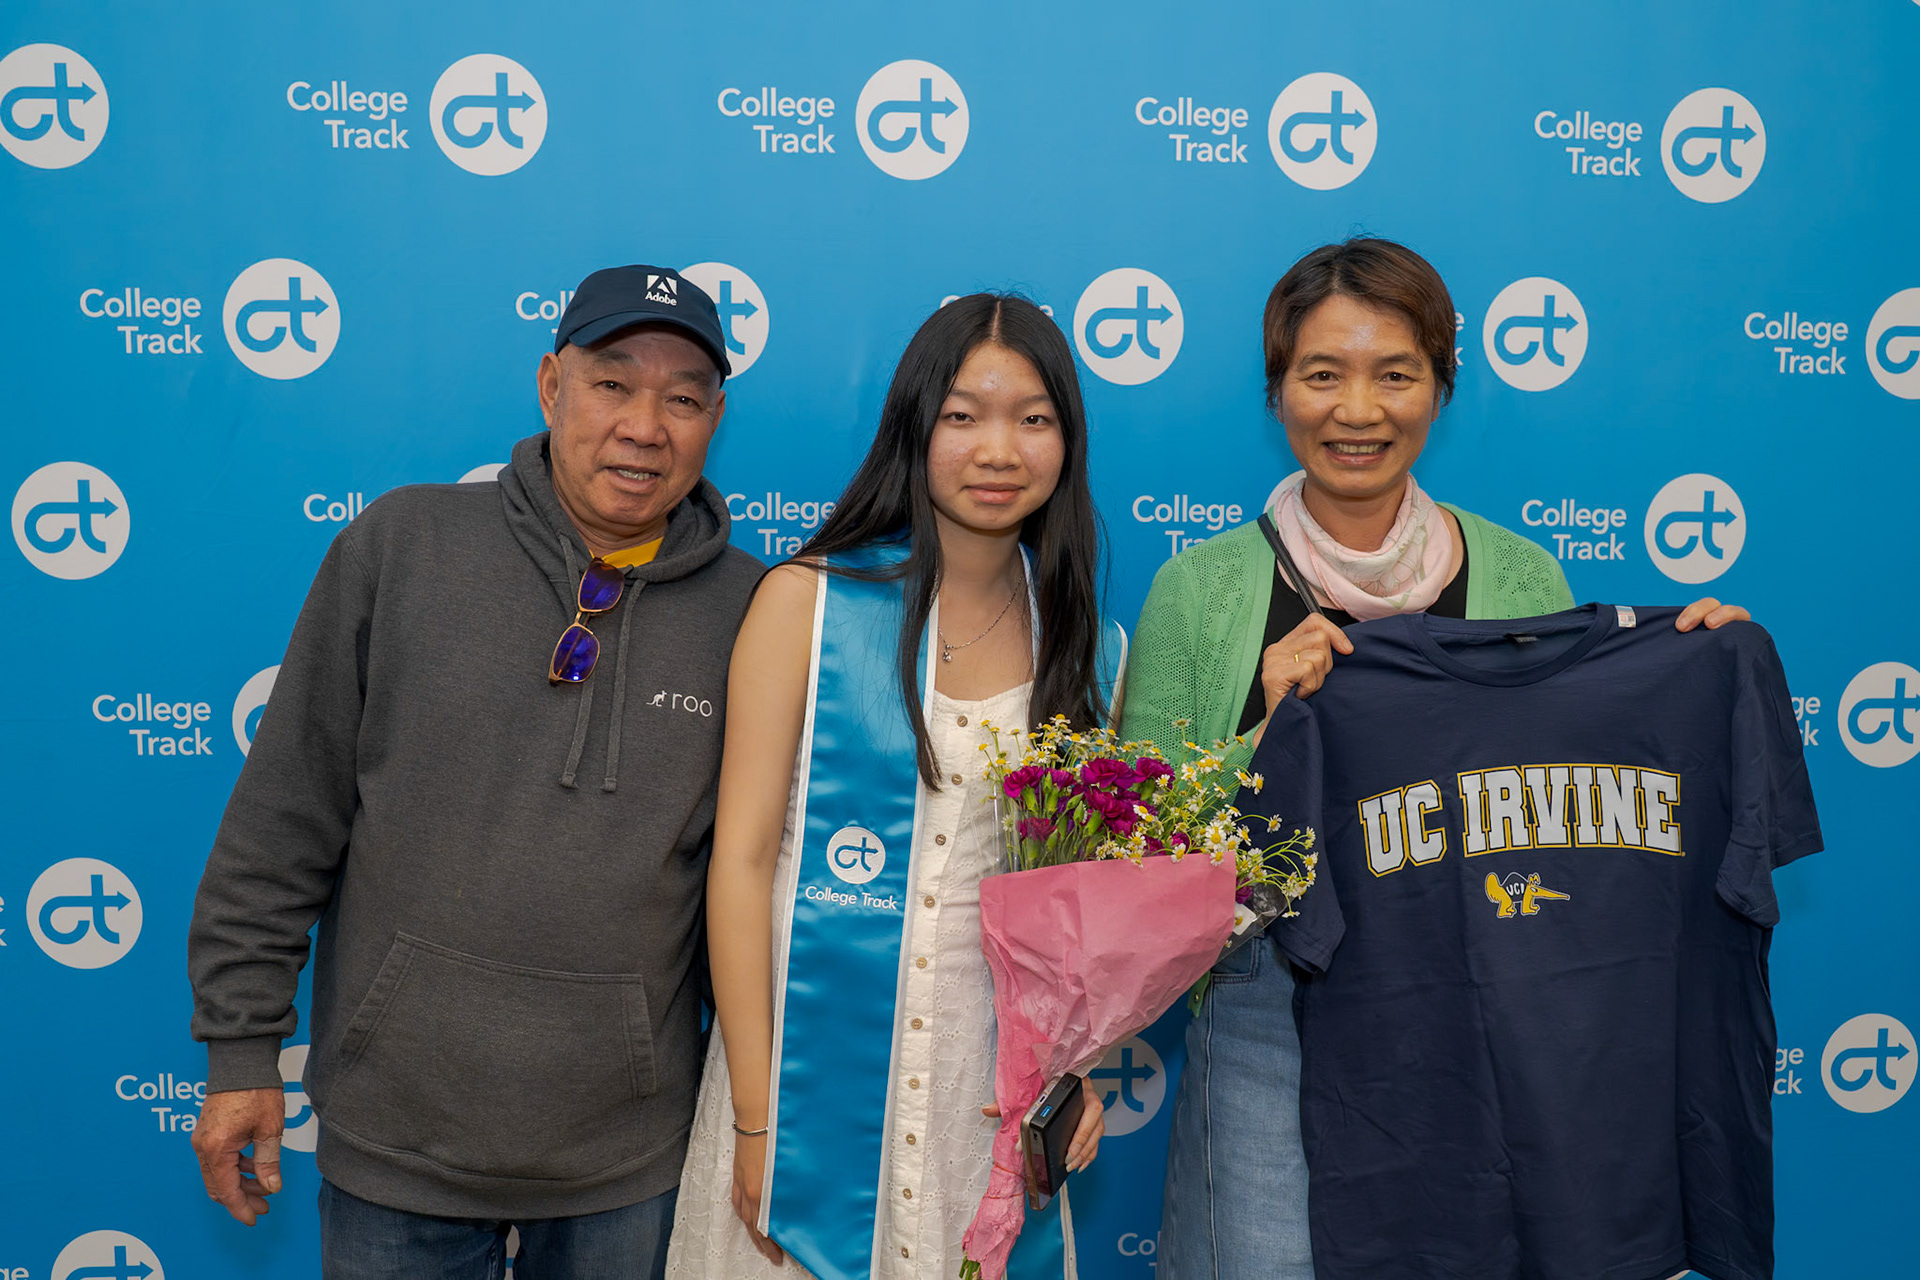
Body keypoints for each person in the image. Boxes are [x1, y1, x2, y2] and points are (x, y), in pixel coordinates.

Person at [1117, 237, 1748, 1280]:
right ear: (1278, 391)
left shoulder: (1520, 574)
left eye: (1396, 374)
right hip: (1270, 1015)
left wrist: (1695, 674)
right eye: (1323, 374)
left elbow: (1571, 804)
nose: (1358, 409)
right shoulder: (1200, 590)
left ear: (1441, 389)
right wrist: (1263, 729)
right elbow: (1139, 850)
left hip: (1481, 999)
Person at [186, 264, 763, 1280]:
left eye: (683, 399)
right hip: (395, 1147)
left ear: (715, 419)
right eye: (613, 384)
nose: (644, 426)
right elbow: (282, 818)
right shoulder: (402, 545)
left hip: (628, 1163)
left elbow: (762, 889)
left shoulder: (756, 612)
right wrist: (240, 1049)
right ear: (550, 385)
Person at [666, 294, 1115, 1280]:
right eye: (963, 415)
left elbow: (1079, 908)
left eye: (1033, 418)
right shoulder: (808, 602)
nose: (998, 449)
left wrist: (1073, 1069)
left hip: (978, 1095)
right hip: (806, 1082)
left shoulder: (1087, 648)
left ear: (1067, 440)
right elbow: (741, 864)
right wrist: (757, 1117)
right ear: (915, 425)